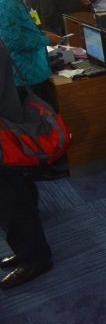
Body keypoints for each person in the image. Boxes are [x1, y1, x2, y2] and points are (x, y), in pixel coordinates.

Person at [0, 38, 54, 290]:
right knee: (12, 198)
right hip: (6, 131)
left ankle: (35, 259)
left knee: (12, 201)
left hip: (4, 135)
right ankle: (26, 251)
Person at [0, 0, 61, 98]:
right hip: (24, 75)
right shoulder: (4, 2)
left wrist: (41, 33)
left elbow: (20, 29)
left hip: (30, 72)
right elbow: (12, 41)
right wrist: (46, 40)